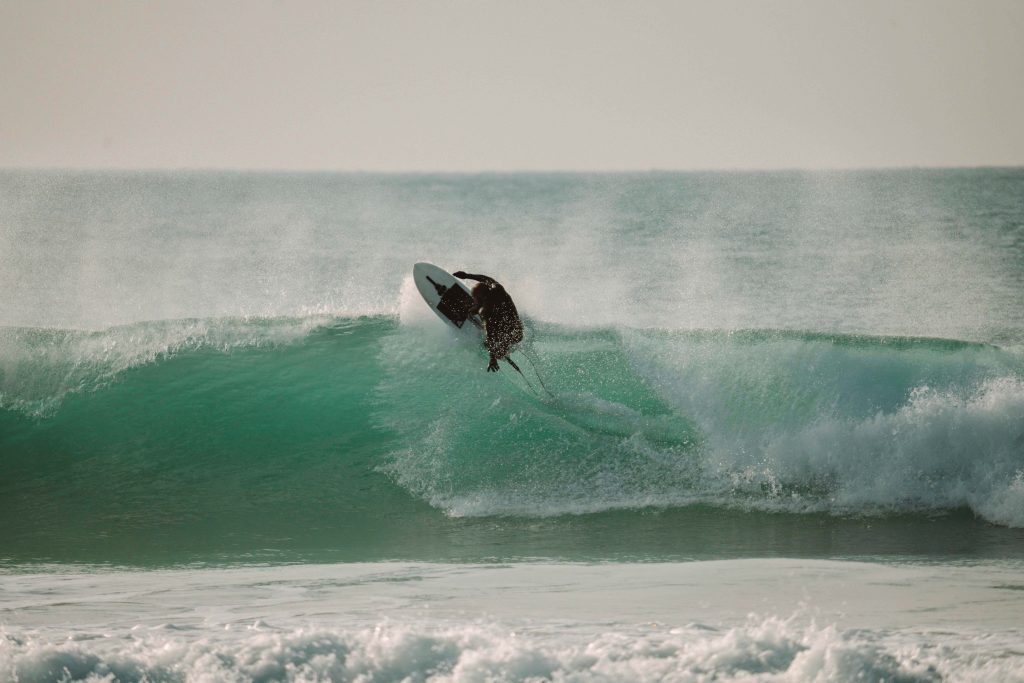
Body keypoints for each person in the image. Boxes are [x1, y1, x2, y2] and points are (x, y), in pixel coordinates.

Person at [452, 271, 524, 372]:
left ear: (481, 297)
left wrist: (492, 358)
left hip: (509, 336)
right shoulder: (498, 289)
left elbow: (490, 336)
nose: (475, 300)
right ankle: (470, 312)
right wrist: (467, 276)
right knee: (483, 313)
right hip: (518, 330)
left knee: (486, 344)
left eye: (475, 299)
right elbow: (485, 279)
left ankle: (503, 353)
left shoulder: (485, 311)